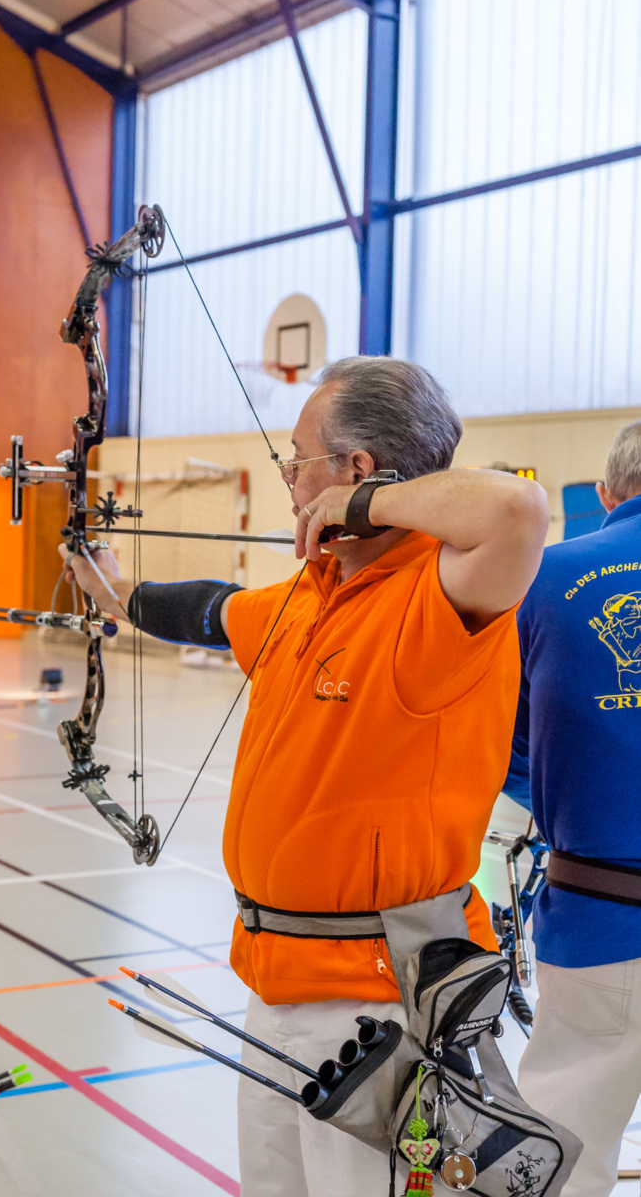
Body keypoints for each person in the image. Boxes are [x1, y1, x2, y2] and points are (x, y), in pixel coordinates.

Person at [62, 356, 549, 1196]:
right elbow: (208, 610)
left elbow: (516, 508)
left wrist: (360, 506)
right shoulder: (306, 596)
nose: (288, 479)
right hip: (275, 981)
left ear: (355, 468)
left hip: (380, 997)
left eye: (298, 459)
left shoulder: (440, 596)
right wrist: (110, 584)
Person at [502, 420, 641, 1197]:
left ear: (604, 494)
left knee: (559, 1164)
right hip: (599, 908)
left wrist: (567, 795)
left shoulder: (544, 576)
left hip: (599, 922)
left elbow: (501, 742)